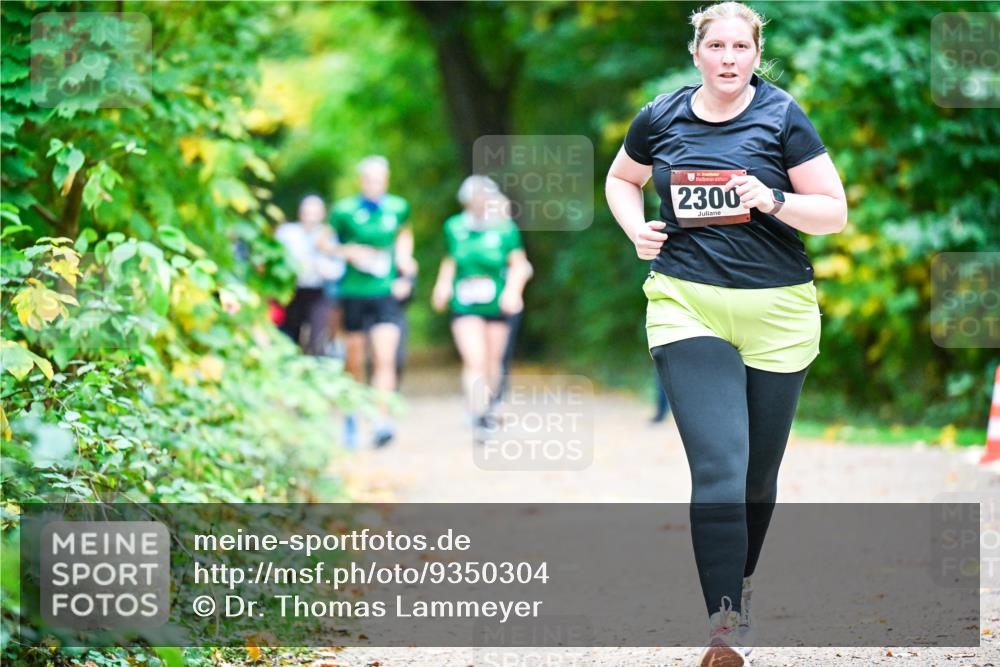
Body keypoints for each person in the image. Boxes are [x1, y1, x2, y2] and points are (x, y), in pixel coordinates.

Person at [605, 3, 847, 665]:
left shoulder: (782, 116)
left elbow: (833, 212)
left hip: (779, 312)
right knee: (718, 465)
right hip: (688, 304)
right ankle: (724, 624)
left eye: (742, 46)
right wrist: (635, 228)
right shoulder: (660, 116)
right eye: (717, 45)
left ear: (756, 55)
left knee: (757, 478)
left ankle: (739, 582)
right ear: (697, 53)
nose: (730, 58)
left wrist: (770, 199)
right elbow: (621, 178)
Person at [431, 176, 532, 444]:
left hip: (496, 302)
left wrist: (513, 291)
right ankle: (480, 415)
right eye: (475, 198)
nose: (480, 202)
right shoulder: (454, 227)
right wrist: (442, 286)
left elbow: (519, 265)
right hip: (464, 303)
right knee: (474, 360)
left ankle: (490, 405)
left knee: (492, 362)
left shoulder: (504, 229)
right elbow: (450, 260)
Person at [329, 156, 417, 448]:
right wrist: (347, 251)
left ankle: (381, 420)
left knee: (385, 357)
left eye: (379, 179)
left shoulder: (397, 207)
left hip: (385, 293)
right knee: (354, 361)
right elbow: (324, 243)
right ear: (361, 181)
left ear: (386, 180)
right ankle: (352, 418)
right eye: (369, 179)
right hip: (353, 293)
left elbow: (404, 234)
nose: (374, 185)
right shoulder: (344, 211)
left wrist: (403, 260)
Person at [275, 195, 344, 356]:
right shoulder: (287, 233)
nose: (310, 217)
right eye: (307, 212)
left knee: (318, 339)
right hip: (290, 292)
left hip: (318, 292)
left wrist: (322, 267)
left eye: (315, 213)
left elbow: (338, 268)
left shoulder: (328, 235)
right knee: (288, 336)